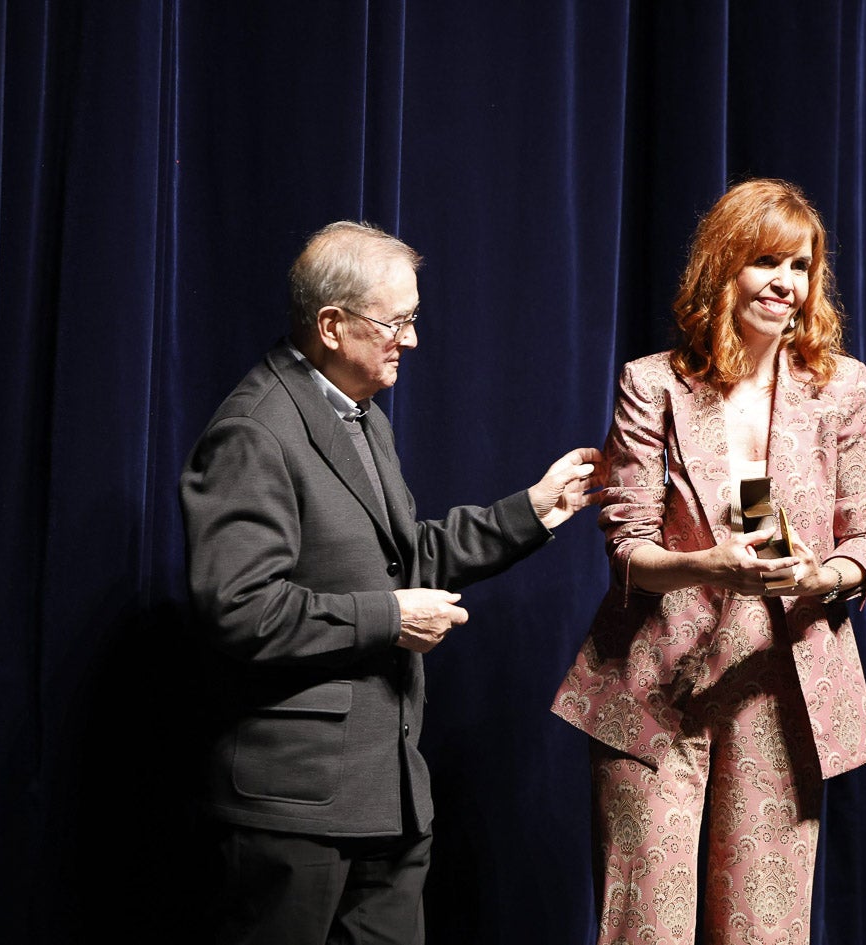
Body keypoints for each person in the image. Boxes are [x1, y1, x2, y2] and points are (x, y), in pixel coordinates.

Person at [180, 220, 604, 945]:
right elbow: (238, 607)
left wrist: (534, 510)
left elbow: (403, 559)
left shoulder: (361, 416)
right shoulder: (255, 430)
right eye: (396, 322)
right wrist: (386, 618)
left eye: (412, 319)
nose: (410, 339)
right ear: (331, 325)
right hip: (296, 807)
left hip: (391, 795)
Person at [552, 179, 866, 945]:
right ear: (722, 266)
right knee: (646, 925)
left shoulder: (841, 389)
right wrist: (711, 564)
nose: (785, 283)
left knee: (763, 929)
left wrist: (818, 576)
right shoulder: (654, 383)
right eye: (765, 261)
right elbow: (628, 549)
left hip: (780, 684)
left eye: (800, 266)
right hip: (655, 685)